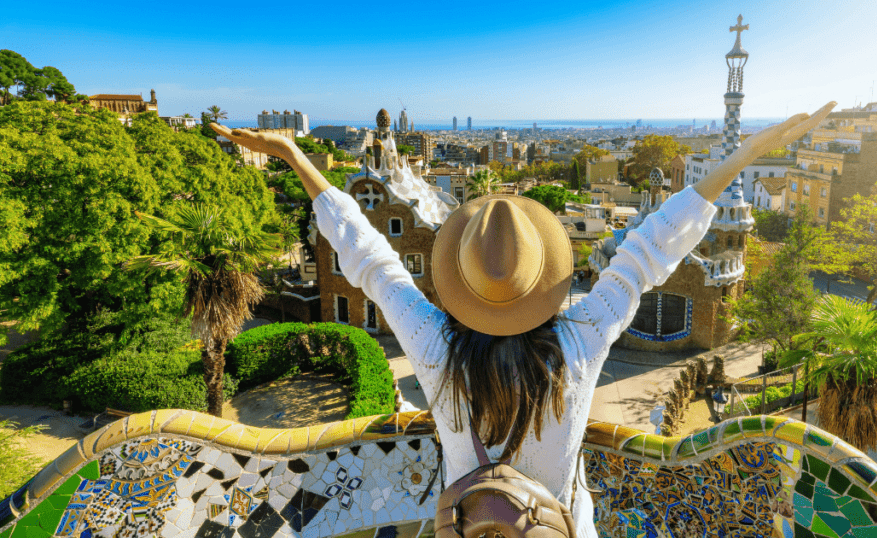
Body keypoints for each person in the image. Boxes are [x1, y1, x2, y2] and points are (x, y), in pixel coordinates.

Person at [211, 102, 833, 537]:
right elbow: (649, 250)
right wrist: (743, 157)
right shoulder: (578, 342)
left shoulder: (433, 348)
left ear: (464, 280)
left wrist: (296, 158)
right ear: (542, 277)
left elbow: (370, 261)